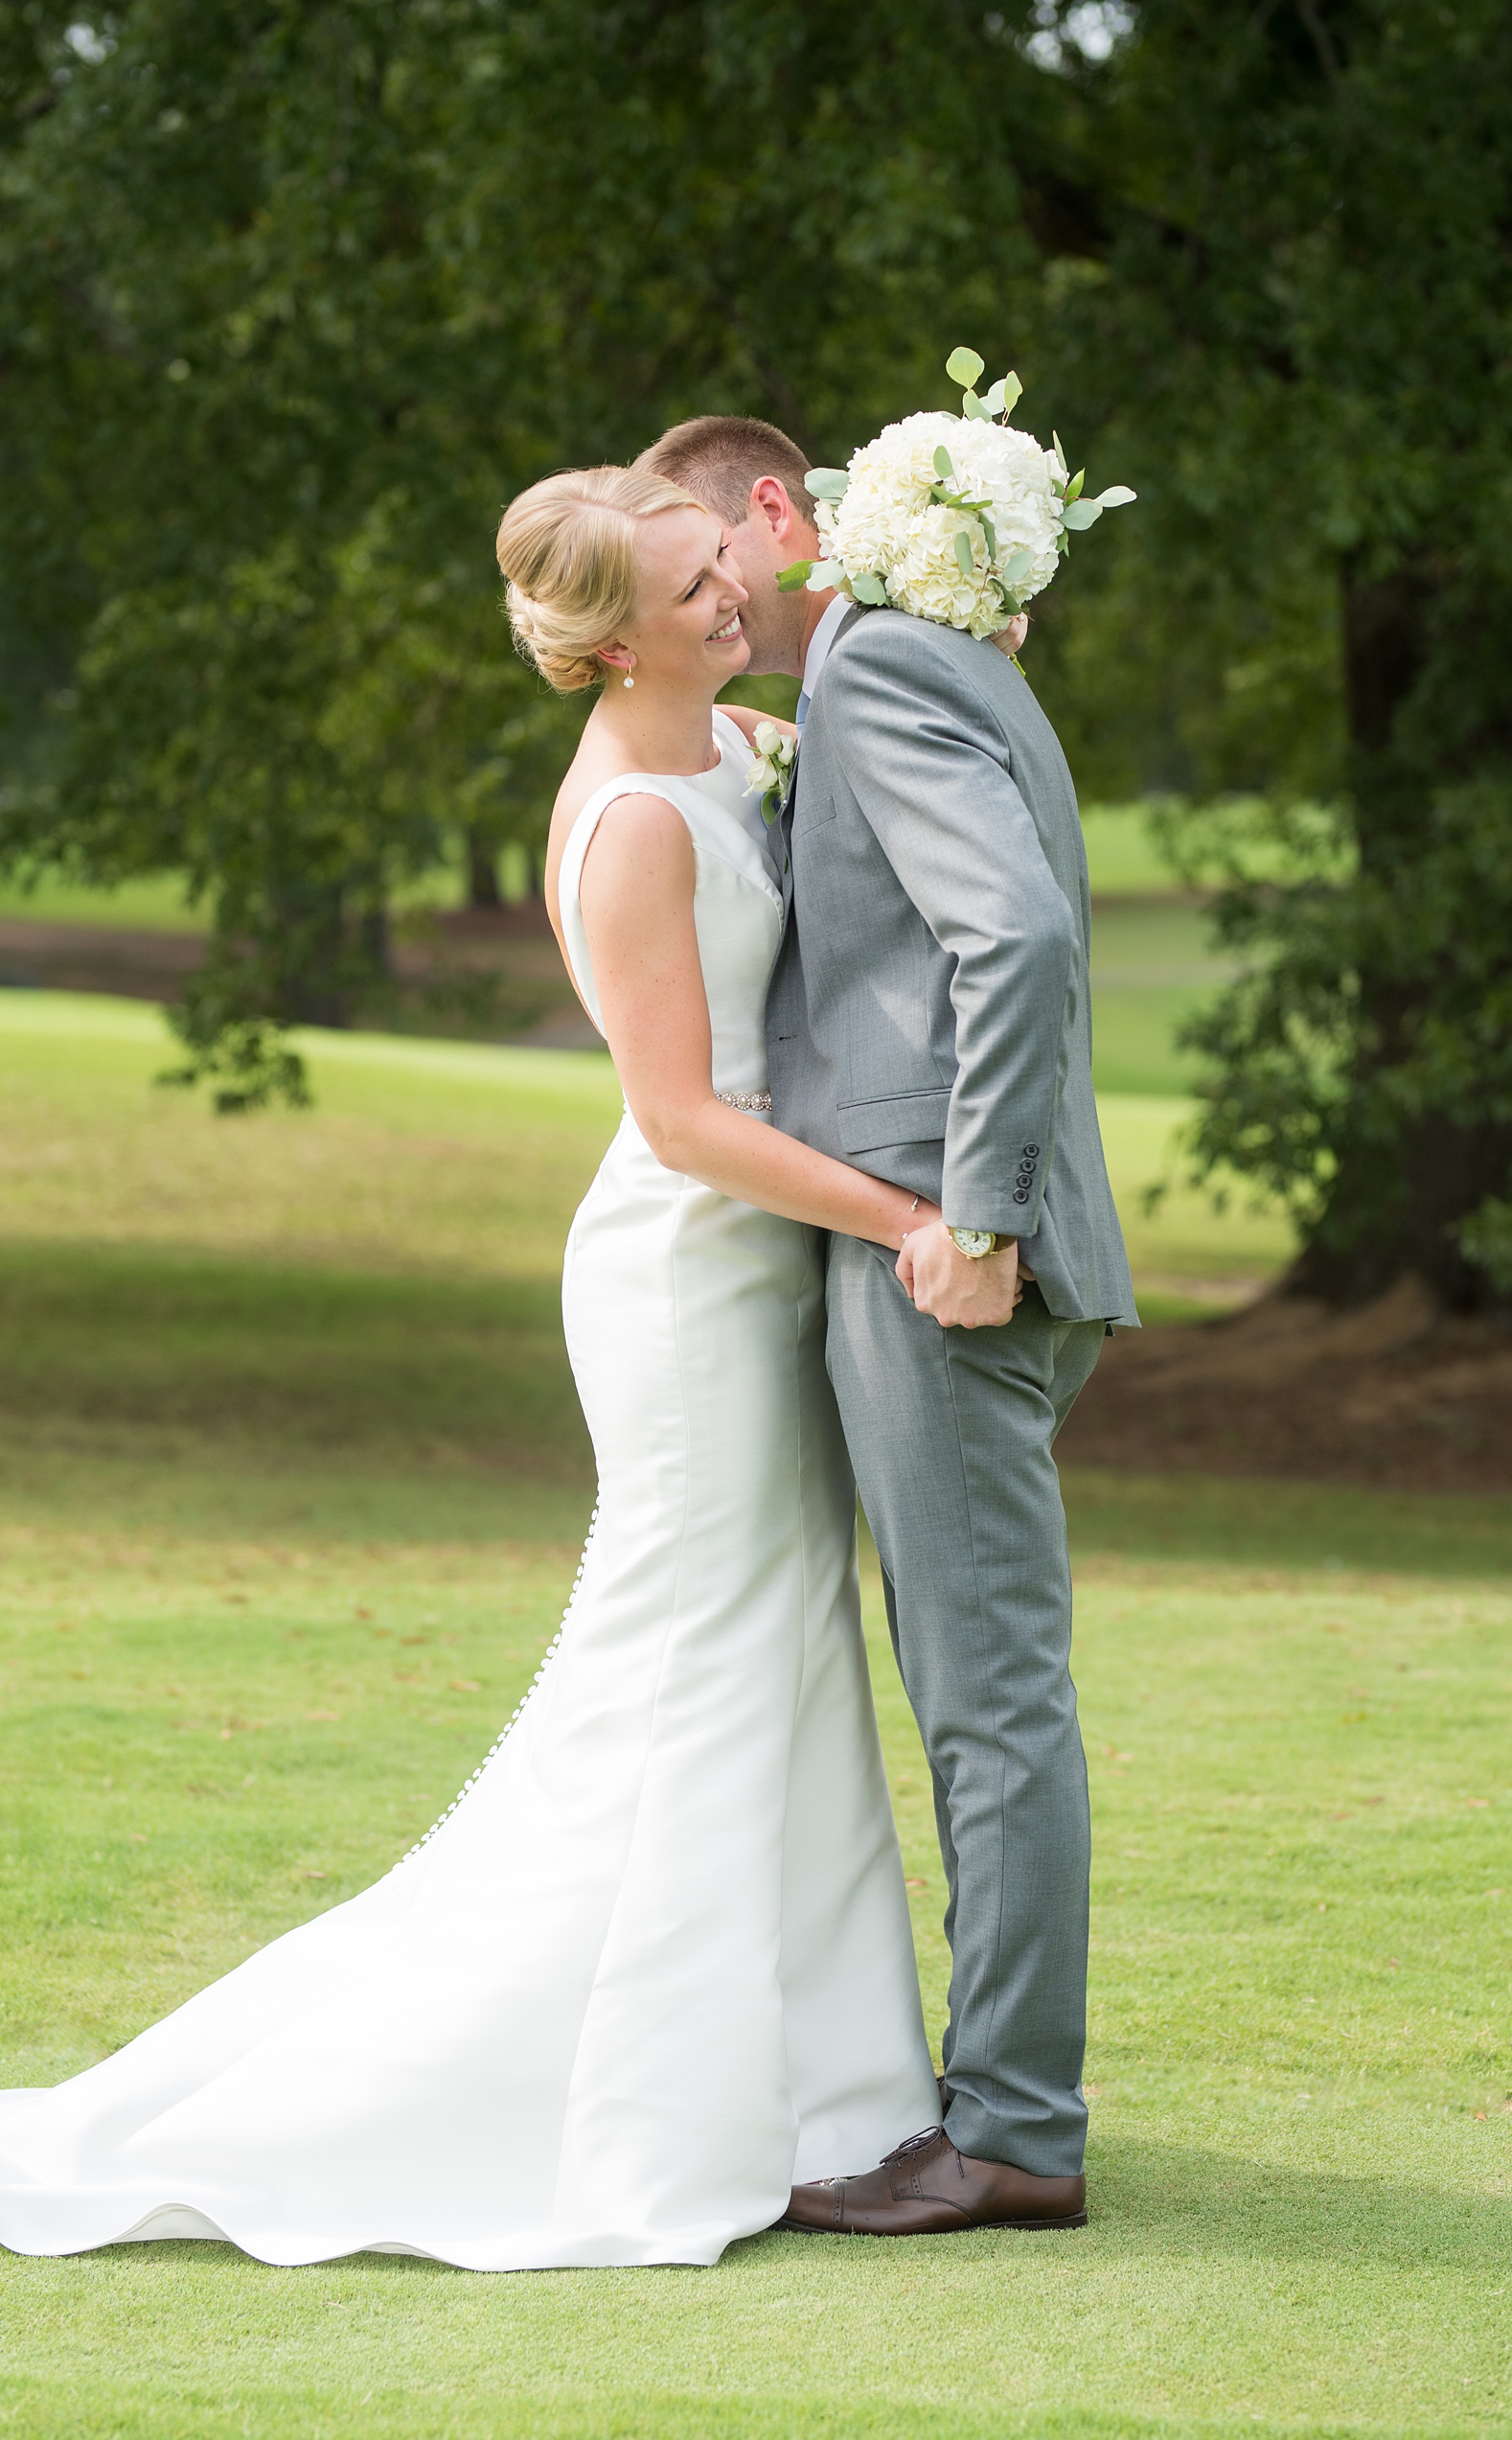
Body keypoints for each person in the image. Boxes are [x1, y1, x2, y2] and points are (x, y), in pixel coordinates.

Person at [0, 463, 944, 2271]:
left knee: (782, 1647)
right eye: (694, 586)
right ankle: (621, 2100)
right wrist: (907, 1217)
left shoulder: (737, 747)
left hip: (764, 1265)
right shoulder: (634, 826)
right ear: (613, 645)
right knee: (688, 1668)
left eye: (725, 565)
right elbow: (683, 1120)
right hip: (689, 1281)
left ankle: (836, 2093)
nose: (733, 597)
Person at [638, 415, 1137, 2236]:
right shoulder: (903, 658)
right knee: (976, 1685)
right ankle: (990, 2094)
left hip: (949, 1255)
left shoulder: (877, 667)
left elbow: (1012, 936)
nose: (691, 595)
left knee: (988, 1698)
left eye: (701, 555)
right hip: (932, 1232)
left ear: (778, 508)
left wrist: (978, 1220)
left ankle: (1011, 2124)